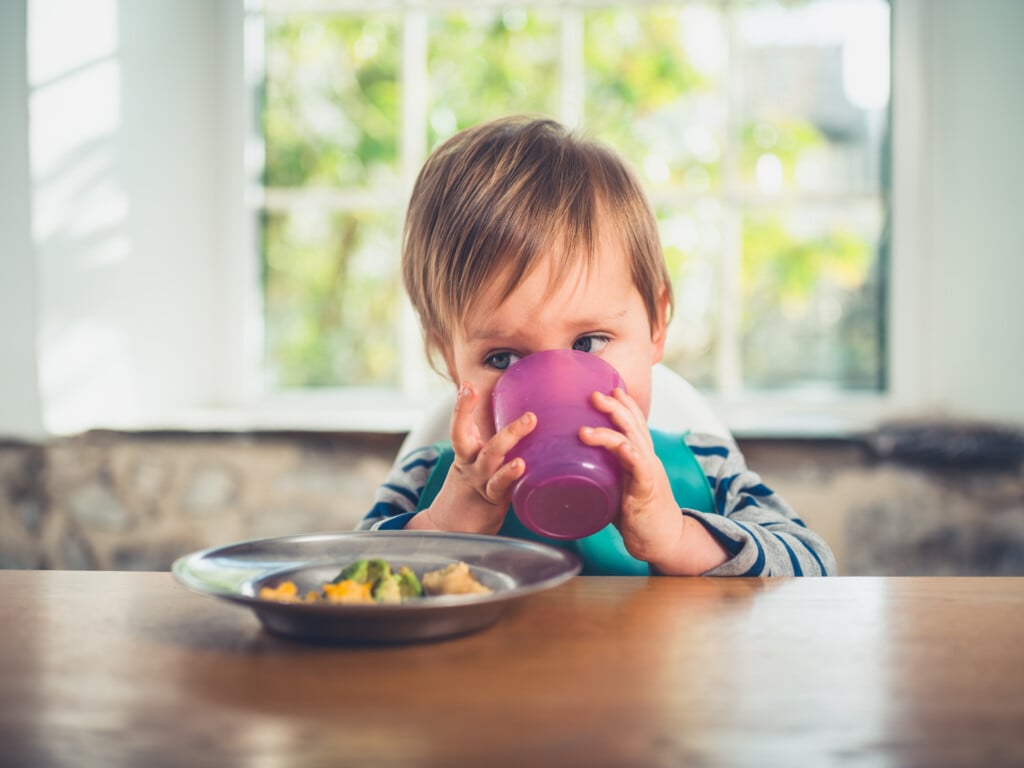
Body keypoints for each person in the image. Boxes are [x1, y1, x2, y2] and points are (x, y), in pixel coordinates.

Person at [359, 115, 836, 577]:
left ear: (655, 326)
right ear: (449, 359)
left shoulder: (707, 469)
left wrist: (680, 539)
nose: (555, 386)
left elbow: (815, 566)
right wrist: (440, 531)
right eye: (502, 359)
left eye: (588, 342)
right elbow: (352, 583)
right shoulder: (427, 478)